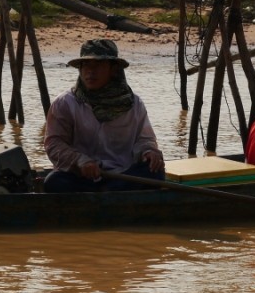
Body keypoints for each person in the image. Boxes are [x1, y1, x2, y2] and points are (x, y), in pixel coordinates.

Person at [43, 38, 165, 193]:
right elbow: (54, 144)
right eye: (86, 65)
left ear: (113, 69)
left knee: (155, 172)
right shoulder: (65, 103)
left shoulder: (133, 104)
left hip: (122, 176)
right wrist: (80, 161)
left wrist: (149, 153)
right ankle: (110, 194)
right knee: (53, 182)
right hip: (81, 178)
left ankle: (109, 192)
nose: (90, 72)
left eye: (98, 65)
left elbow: (144, 140)